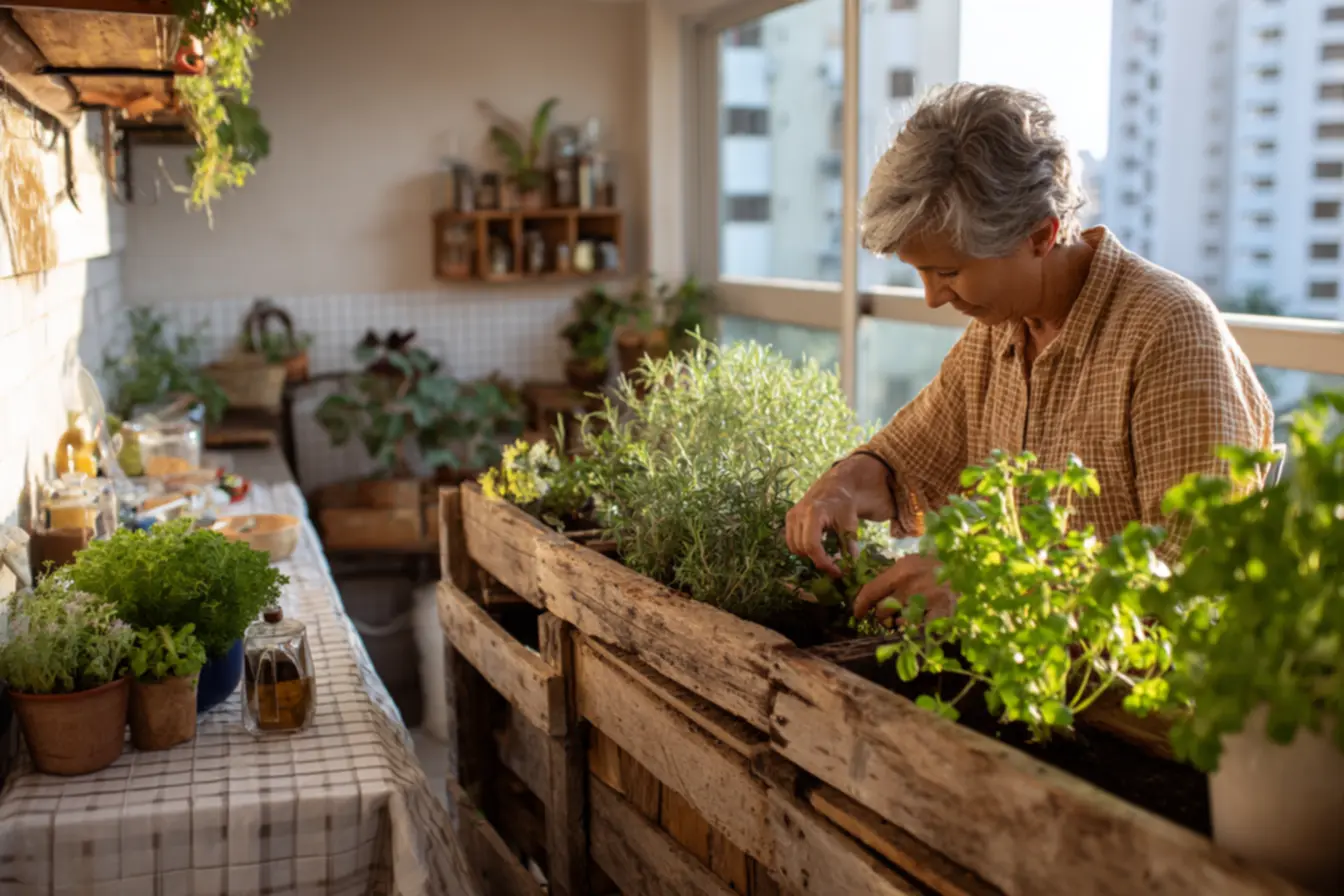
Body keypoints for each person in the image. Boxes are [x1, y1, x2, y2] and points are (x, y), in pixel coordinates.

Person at [785, 82, 1273, 624]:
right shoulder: (999, 331)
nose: (932, 298)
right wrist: (844, 482)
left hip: (1125, 679)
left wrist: (984, 590)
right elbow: (911, 461)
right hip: (1011, 669)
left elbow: (1197, 577)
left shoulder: (1169, 331)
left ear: (1041, 235)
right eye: (920, 272)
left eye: (948, 271)